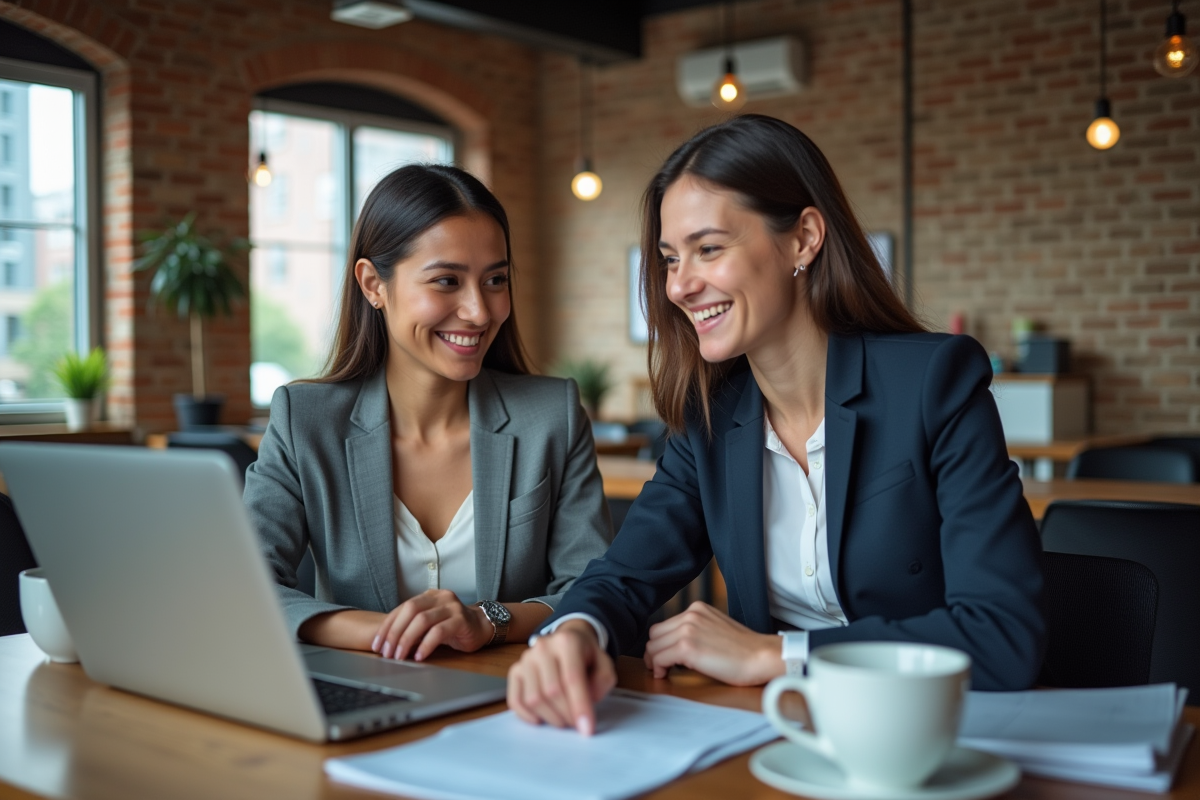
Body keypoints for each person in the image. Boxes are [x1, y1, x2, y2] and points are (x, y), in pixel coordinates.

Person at [508, 115, 1044, 735]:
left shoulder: (934, 383)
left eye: (709, 249)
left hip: (926, 737)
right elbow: (623, 576)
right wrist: (575, 632)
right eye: (668, 258)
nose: (679, 285)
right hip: (774, 736)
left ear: (803, 239)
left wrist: (774, 655)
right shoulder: (709, 416)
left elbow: (1003, 634)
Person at [245, 164, 613, 663]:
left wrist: (486, 621)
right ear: (373, 285)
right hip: (363, 700)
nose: (480, 312)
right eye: (446, 281)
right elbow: (247, 585)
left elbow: (595, 591)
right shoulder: (304, 421)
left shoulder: (552, 416)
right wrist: (389, 633)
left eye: (495, 280)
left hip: (511, 701)